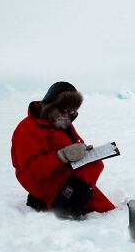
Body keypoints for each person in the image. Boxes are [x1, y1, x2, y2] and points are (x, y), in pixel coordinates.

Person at [11, 81, 115, 217]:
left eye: (71, 111)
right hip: (45, 182)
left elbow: (75, 143)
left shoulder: (61, 122)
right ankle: (56, 204)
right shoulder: (27, 129)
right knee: (100, 206)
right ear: (50, 106)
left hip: (63, 175)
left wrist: (83, 150)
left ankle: (80, 202)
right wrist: (62, 156)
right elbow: (32, 171)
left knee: (95, 166)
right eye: (62, 110)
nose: (66, 115)